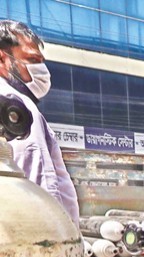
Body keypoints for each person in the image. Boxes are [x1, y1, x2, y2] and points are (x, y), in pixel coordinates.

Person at [0, 20, 78, 224]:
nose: (42, 70)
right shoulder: (16, 105)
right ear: (2, 59)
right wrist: (54, 242)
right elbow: (40, 183)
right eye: (31, 60)